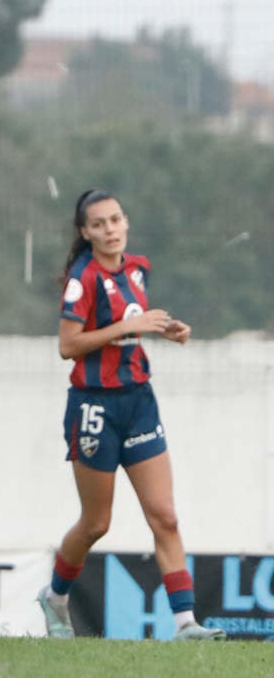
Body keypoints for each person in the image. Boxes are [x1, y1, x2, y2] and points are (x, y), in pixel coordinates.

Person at [36, 189, 225, 641]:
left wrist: (167, 331)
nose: (110, 229)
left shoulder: (137, 269)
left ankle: (185, 624)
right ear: (85, 232)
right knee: (96, 523)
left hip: (139, 402)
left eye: (116, 220)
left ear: (126, 222)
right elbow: (68, 345)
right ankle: (56, 596)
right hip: (95, 408)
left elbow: (131, 326)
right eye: (99, 224)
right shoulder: (82, 278)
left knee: (164, 515)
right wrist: (127, 327)